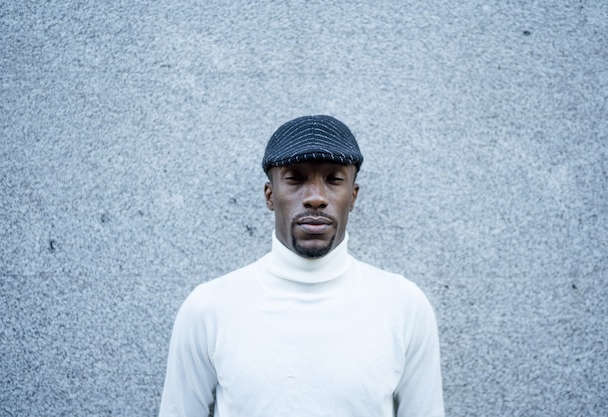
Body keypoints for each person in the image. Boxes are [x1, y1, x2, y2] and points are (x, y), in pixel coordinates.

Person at [159, 115, 444, 417]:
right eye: (295, 178)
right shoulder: (209, 308)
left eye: (334, 179)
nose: (316, 198)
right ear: (270, 195)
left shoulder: (404, 306)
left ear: (353, 196)